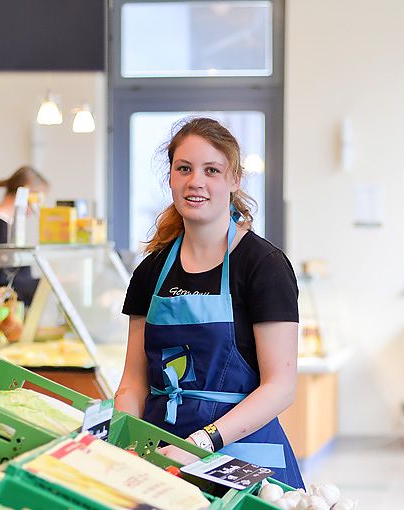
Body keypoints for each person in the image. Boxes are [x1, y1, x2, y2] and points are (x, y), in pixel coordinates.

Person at [115, 117, 304, 488]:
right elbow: (133, 382)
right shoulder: (151, 271)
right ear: (170, 176)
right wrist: (127, 442)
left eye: (211, 170)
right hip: (161, 458)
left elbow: (280, 386)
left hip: (243, 460)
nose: (195, 181)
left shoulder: (263, 266)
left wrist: (202, 443)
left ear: (234, 181)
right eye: (184, 168)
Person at [0, 165, 49, 306]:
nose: (39, 204)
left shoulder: (7, 223)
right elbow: (0, 279)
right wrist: (43, 285)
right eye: (39, 197)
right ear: (27, 191)